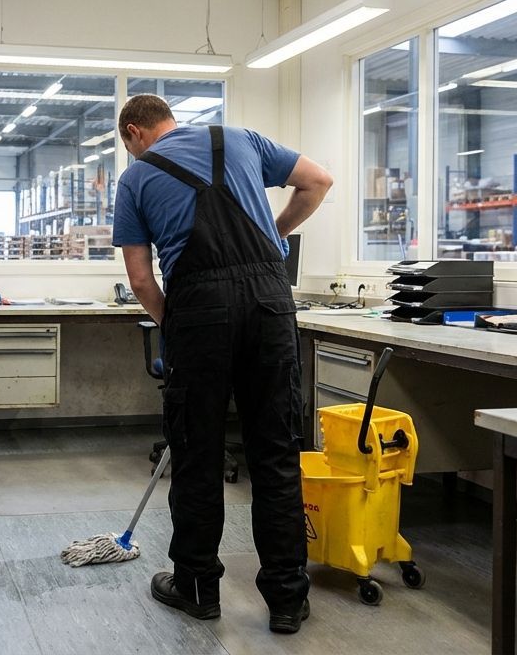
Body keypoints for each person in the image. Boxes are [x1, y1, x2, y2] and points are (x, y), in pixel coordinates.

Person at [111, 94, 333, 635]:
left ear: (136, 133)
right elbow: (318, 182)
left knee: (196, 454)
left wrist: (176, 322)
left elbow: (141, 281)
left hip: (198, 310)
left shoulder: (135, 180)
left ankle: (196, 588)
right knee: (277, 452)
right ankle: (286, 599)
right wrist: (274, 237)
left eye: (127, 145)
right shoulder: (241, 138)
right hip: (269, 302)